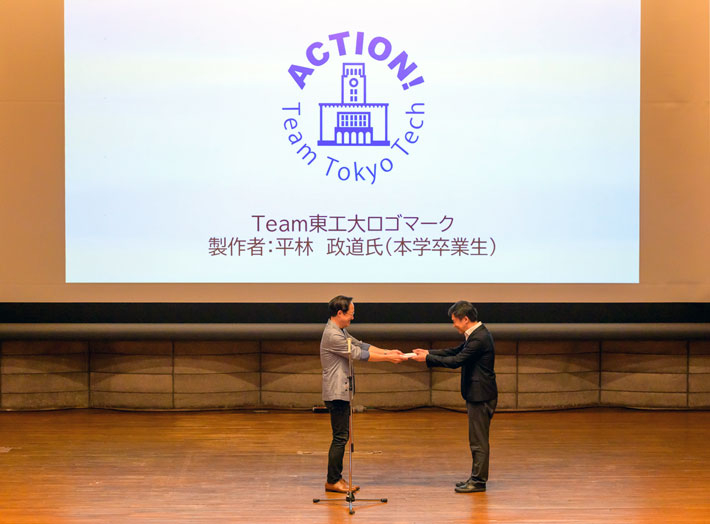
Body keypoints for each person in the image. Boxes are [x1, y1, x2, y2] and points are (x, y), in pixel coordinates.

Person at [320, 295, 407, 494]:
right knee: (340, 437)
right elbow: (358, 354)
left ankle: (337, 478)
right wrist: (388, 359)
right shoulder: (332, 335)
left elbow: (361, 345)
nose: (352, 318)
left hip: (342, 391)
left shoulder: (340, 331)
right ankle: (332, 480)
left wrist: (388, 352)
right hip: (336, 393)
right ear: (339, 313)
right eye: (351, 314)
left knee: (343, 436)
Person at [410, 300, 497, 493]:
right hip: (478, 394)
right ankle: (475, 478)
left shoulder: (479, 338)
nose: (453, 325)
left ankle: (478, 481)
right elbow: (455, 351)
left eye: (455, 321)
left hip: (481, 396)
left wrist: (426, 359)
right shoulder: (475, 334)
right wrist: (428, 352)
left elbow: (456, 361)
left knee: (478, 441)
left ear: (465, 319)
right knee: (476, 439)